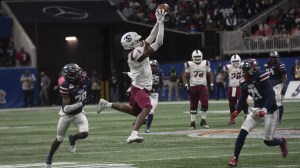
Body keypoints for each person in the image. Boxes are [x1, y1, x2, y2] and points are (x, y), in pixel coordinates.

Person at [96, 8, 166, 143]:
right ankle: (133, 134)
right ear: (132, 44)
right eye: (137, 40)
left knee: (134, 111)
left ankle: (106, 104)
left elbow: (151, 37)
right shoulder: (136, 55)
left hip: (138, 86)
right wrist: (162, 23)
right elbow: (158, 42)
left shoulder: (135, 50)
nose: (140, 40)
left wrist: (158, 21)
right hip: (139, 88)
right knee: (147, 107)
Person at [228, 58, 288, 167]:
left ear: (252, 69)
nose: (243, 72)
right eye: (243, 70)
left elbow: (271, 95)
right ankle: (235, 158)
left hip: (270, 110)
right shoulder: (243, 81)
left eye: (245, 70)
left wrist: (265, 109)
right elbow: (242, 98)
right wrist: (237, 110)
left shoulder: (262, 76)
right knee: (242, 132)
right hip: (257, 110)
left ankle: (282, 141)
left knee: (267, 140)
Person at [45, 63, 93, 167]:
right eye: (77, 73)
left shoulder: (84, 77)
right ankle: (50, 156)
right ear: (71, 77)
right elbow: (66, 109)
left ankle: (73, 138)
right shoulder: (65, 86)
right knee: (59, 138)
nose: (80, 74)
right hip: (67, 114)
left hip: (79, 112)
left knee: (84, 133)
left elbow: (86, 84)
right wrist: (82, 103)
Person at [182, 50, 214, 129]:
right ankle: (192, 122)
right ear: (192, 57)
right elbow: (185, 76)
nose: (197, 58)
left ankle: (203, 120)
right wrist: (186, 85)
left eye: (198, 57)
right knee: (193, 105)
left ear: (201, 57)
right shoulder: (190, 65)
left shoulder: (205, 64)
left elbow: (210, 75)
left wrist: (211, 84)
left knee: (205, 104)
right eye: (195, 57)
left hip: (203, 86)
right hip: (193, 86)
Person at [223, 54, 248, 124]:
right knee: (231, 104)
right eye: (234, 61)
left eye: (237, 61)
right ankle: (232, 118)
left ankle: (246, 115)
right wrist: (224, 82)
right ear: (231, 61)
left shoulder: (243, 66)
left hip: (241, 87)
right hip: (232, 87)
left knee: (243, 102)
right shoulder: (228, 67)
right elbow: (224, 77)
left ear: (239, 61)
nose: (235, 63)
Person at [264, 51, 287, 124]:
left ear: (277, 58)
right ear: (270, 58)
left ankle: (279, 119)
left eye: (275, 58)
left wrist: (284, 86)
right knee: (269, 101)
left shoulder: (280, 65)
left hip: (278, 84)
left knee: (279, 102)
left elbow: (284, 76)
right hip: (270, 85)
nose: (274, 59)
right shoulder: (267, 65)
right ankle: (271, 117)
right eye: (272, 57)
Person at [145, 59, 164, 133]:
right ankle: (145, 122)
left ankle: (147, 127)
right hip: (146, 93)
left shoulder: (160, 72)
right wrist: (148, 88)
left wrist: (162, 94)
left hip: (155, 95)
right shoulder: (146, 73)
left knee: (151, 110)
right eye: (152, 66)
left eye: (154, 66)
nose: (153, 68)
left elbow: (162, 84)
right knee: (145, 108)